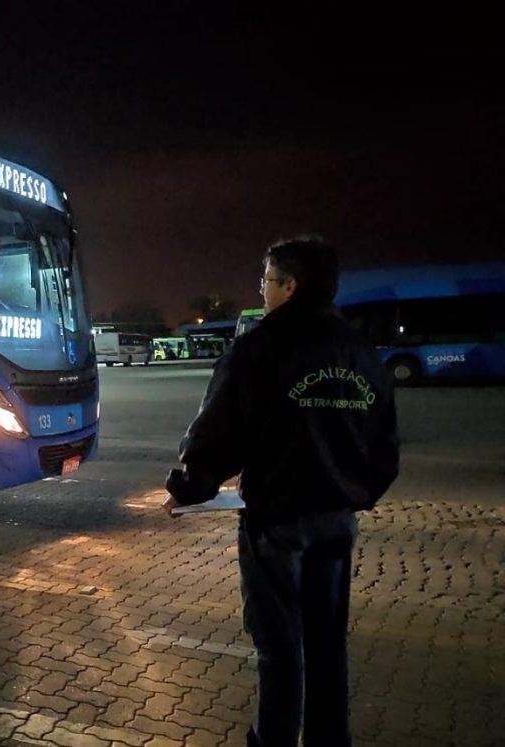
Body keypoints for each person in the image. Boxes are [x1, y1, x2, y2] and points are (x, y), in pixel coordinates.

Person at [162, 237, 399, 747]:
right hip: (336, 520)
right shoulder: (362, 352)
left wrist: (189, 488)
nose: (262, 289)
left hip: (278, 522)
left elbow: (216, 433)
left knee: (279, 650)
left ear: (290, 285)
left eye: (266, 280)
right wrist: (354, 492)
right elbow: (385, 447)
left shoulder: (259, 348)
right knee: (328, 646)